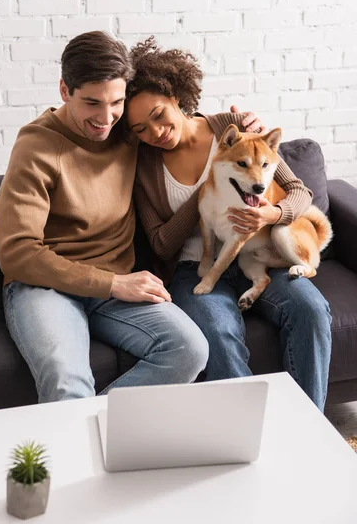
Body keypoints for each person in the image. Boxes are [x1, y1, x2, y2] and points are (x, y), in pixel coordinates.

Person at [0, 31, 209, 404]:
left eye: (116, 102)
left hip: (114, 286)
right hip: (44, 287)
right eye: (92, 103)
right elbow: (17, 253)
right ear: (64, 90)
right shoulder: (35, 146)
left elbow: (176, 121)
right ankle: (81, 448)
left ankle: (90, 433)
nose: (105, 118)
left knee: (190, 349)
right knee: (67, 381)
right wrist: (111, 284)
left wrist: (230, 121)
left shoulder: (126, 129)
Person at [125, 37, 332, 412]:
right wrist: (208, 191)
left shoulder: (236, 129)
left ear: (174, 97)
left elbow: (299, 192)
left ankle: (308, 429)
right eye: (140, 129)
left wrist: (274, 214)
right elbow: (159, 244)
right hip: (195, 268)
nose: (154, 132)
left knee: (312, 311)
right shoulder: (144, 165)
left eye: (157, 114)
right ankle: (243, 444)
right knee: (218, 334)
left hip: (260, 254)